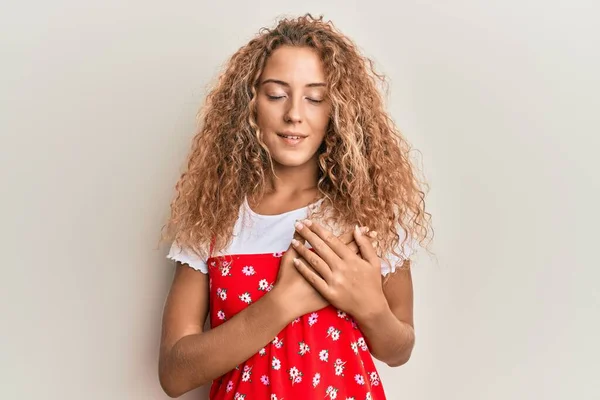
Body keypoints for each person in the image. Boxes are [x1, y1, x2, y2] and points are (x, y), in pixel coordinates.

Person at [158, 14, 432, 400]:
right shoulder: (213, 219)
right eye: (276, 94)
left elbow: (398, 349)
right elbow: (173, 373)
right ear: (249, 104)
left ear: (338, 110)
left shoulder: (369, 215)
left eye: (315, 98)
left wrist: (369, 307)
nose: (294, 114)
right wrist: (285, 301)